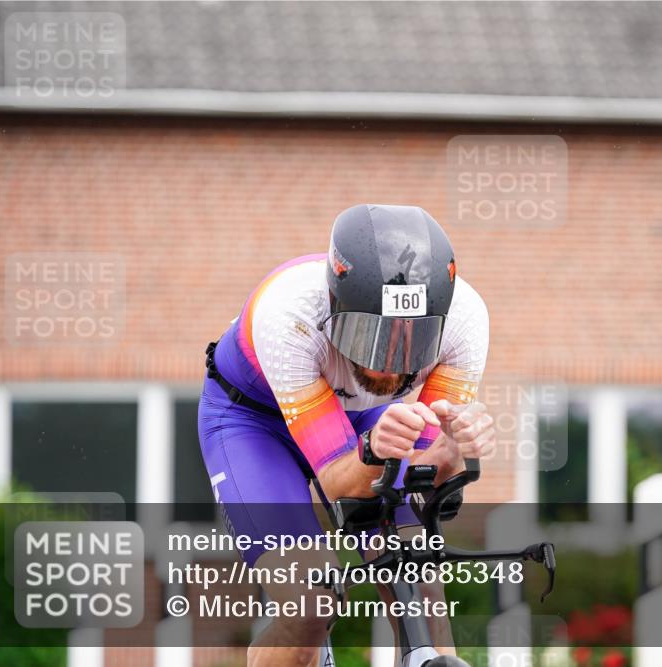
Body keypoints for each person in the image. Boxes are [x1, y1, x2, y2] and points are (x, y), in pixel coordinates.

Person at [197, 204, 495, 667]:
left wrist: (453, 450)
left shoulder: (465, 321)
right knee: (311, 601)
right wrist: (374, 450)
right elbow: (337, 486)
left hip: (365, 418)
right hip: (253, 422)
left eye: (412, 341)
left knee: (420, 582)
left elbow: (420, 485)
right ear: (334, 304)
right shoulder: (290, 312)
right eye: (365, 335)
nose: (388, 366)